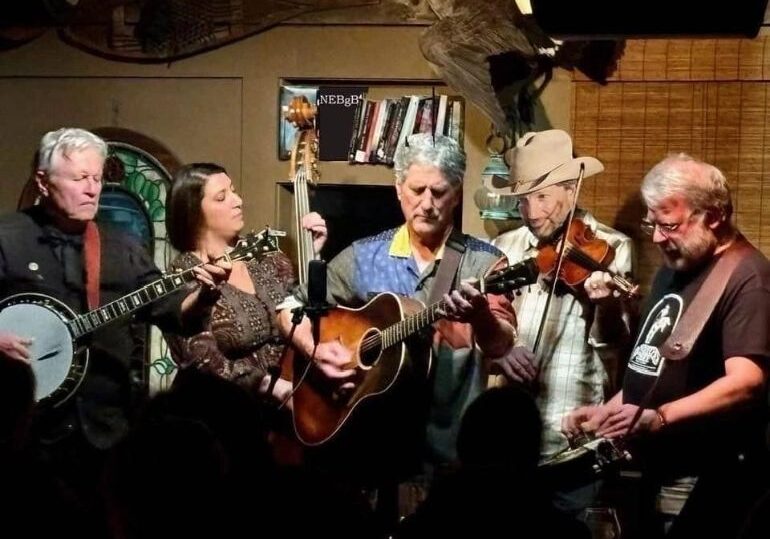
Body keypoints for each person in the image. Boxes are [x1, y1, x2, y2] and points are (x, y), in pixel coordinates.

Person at [0, 128, 230, 506]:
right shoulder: (7, 237)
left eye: (97, 178)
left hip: (105, 431)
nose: (93, 189)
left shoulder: (122, 246)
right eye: (79, 179)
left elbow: (173, 312)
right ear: (43, 181)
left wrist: (204, 296)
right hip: (27, 436)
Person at [277, 133, 515, 491]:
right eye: (417, 190)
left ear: (457, 193)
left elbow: (502, 345)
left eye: (439, 192)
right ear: (398, 188)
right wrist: (315, 351)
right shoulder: (363, 256)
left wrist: (480, 315)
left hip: (445, 452)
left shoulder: (484, 263)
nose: (427, 203)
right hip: (368, 444)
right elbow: (289, 307)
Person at [563, 154, 770, 539]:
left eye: (669, 225)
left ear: (714, 215)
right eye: (652, 223)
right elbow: (655, 370)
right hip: (649, 474)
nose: (657, 237)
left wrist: (660, 418)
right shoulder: (673, 269)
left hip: (700, 482)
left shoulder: (747, 277)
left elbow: (746, 382)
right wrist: (607, 414)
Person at [491, 129, 636, 512]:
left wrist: (603, 305)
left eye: (542, 197)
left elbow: (616, 345)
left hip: (571, 433)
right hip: (509, 441)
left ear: (572, 190)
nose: (531, 212)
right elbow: (488, 329)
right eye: (523, 200)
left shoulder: (611, 246)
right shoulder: (505, 247)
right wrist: (504, 348)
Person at [163, 162, 327, 405]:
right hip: (223, 411)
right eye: (222, 197)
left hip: (287, 399)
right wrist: (272, 388)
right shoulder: (182, 274)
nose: (237, 200)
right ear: (193, 212)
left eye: (234, 190)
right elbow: (202, 358)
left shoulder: (267, 256)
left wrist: (311, 258)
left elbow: (301, 315)